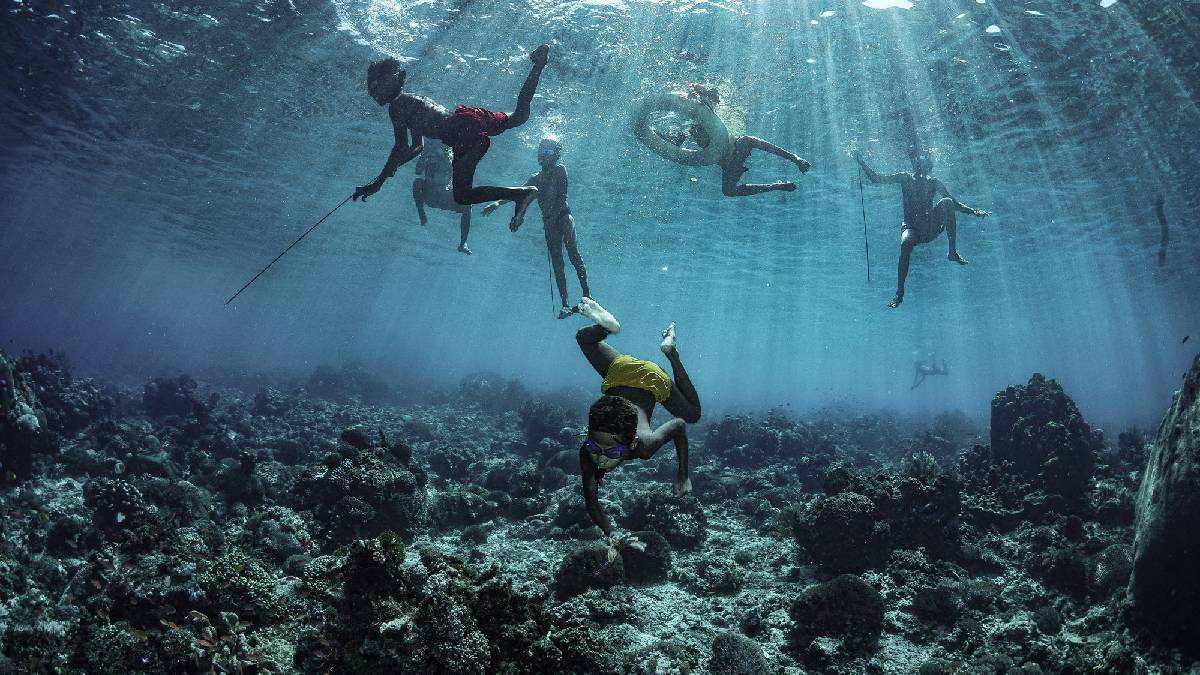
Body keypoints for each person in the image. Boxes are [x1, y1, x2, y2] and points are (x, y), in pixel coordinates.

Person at [352, 45, 551, 232]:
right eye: (370, 88)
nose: (372, 92)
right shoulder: (407, 102)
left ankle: (519, 194)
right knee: (519, 116)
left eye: (375, 85)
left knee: (462, 196)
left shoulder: (396, 107)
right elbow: (416, 146)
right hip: (469, 117)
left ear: (392, 80)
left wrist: (378, 182)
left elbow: (399, 146)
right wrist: (394, 167)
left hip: (461, 132)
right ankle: (539, 64)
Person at [574, 298, 700, 549]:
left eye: (612, 452)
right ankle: (609, 328)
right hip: (619, 373)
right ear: (589, 436)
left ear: (631, 443)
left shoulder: (644, 446)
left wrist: (683, 475)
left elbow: (679, 425)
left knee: (693, 415)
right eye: (596, 448)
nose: (600, 459)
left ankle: (670, 354)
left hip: (650, 379)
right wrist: (612, 533)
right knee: (582, 338)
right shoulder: (589, 451)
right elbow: (591, 502)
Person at [854, 148, 991, 308]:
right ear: (913, 162)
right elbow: (876, 178)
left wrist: (974, 211)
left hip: (929, 228)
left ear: (929, 165)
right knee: (905, 244)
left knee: (946, 202)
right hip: (911, 229)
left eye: (924, 160)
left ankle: (952, 252)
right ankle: (899, 293)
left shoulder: (934, 182)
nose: (920, 163)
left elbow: (955, 204)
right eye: (917, 159)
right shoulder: (904, 177)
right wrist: (861, 162)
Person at [482, 138, 590, 317]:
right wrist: (497, 203)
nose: (543, 155)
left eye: (547, 151)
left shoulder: (560, 169)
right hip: (550, 223)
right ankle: (565, 304)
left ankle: (587, 294)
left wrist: (552, 219)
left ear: (556, 153)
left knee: (573, 254)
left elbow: (562, 195)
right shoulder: (534, 178)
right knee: (557, 263)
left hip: (563, 217)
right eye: (541, 151)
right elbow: (517, 194)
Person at [659, 83, 811, 197]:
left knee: (745, 142)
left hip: (733, 147)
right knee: (728, 190)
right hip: (725, 156)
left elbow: (707, 106)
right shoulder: (692, 128)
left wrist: (796, 160)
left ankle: (790, 167)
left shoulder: (707, 115)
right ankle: (777, 186)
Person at [412, 140, 473, 254]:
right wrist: (425, 159)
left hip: (445, 193)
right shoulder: (428, 149)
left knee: (467, 204)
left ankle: (463, 243)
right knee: (417, 182)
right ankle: (421, 212)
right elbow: (417, 171)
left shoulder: (451, 151)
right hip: (430, 195)